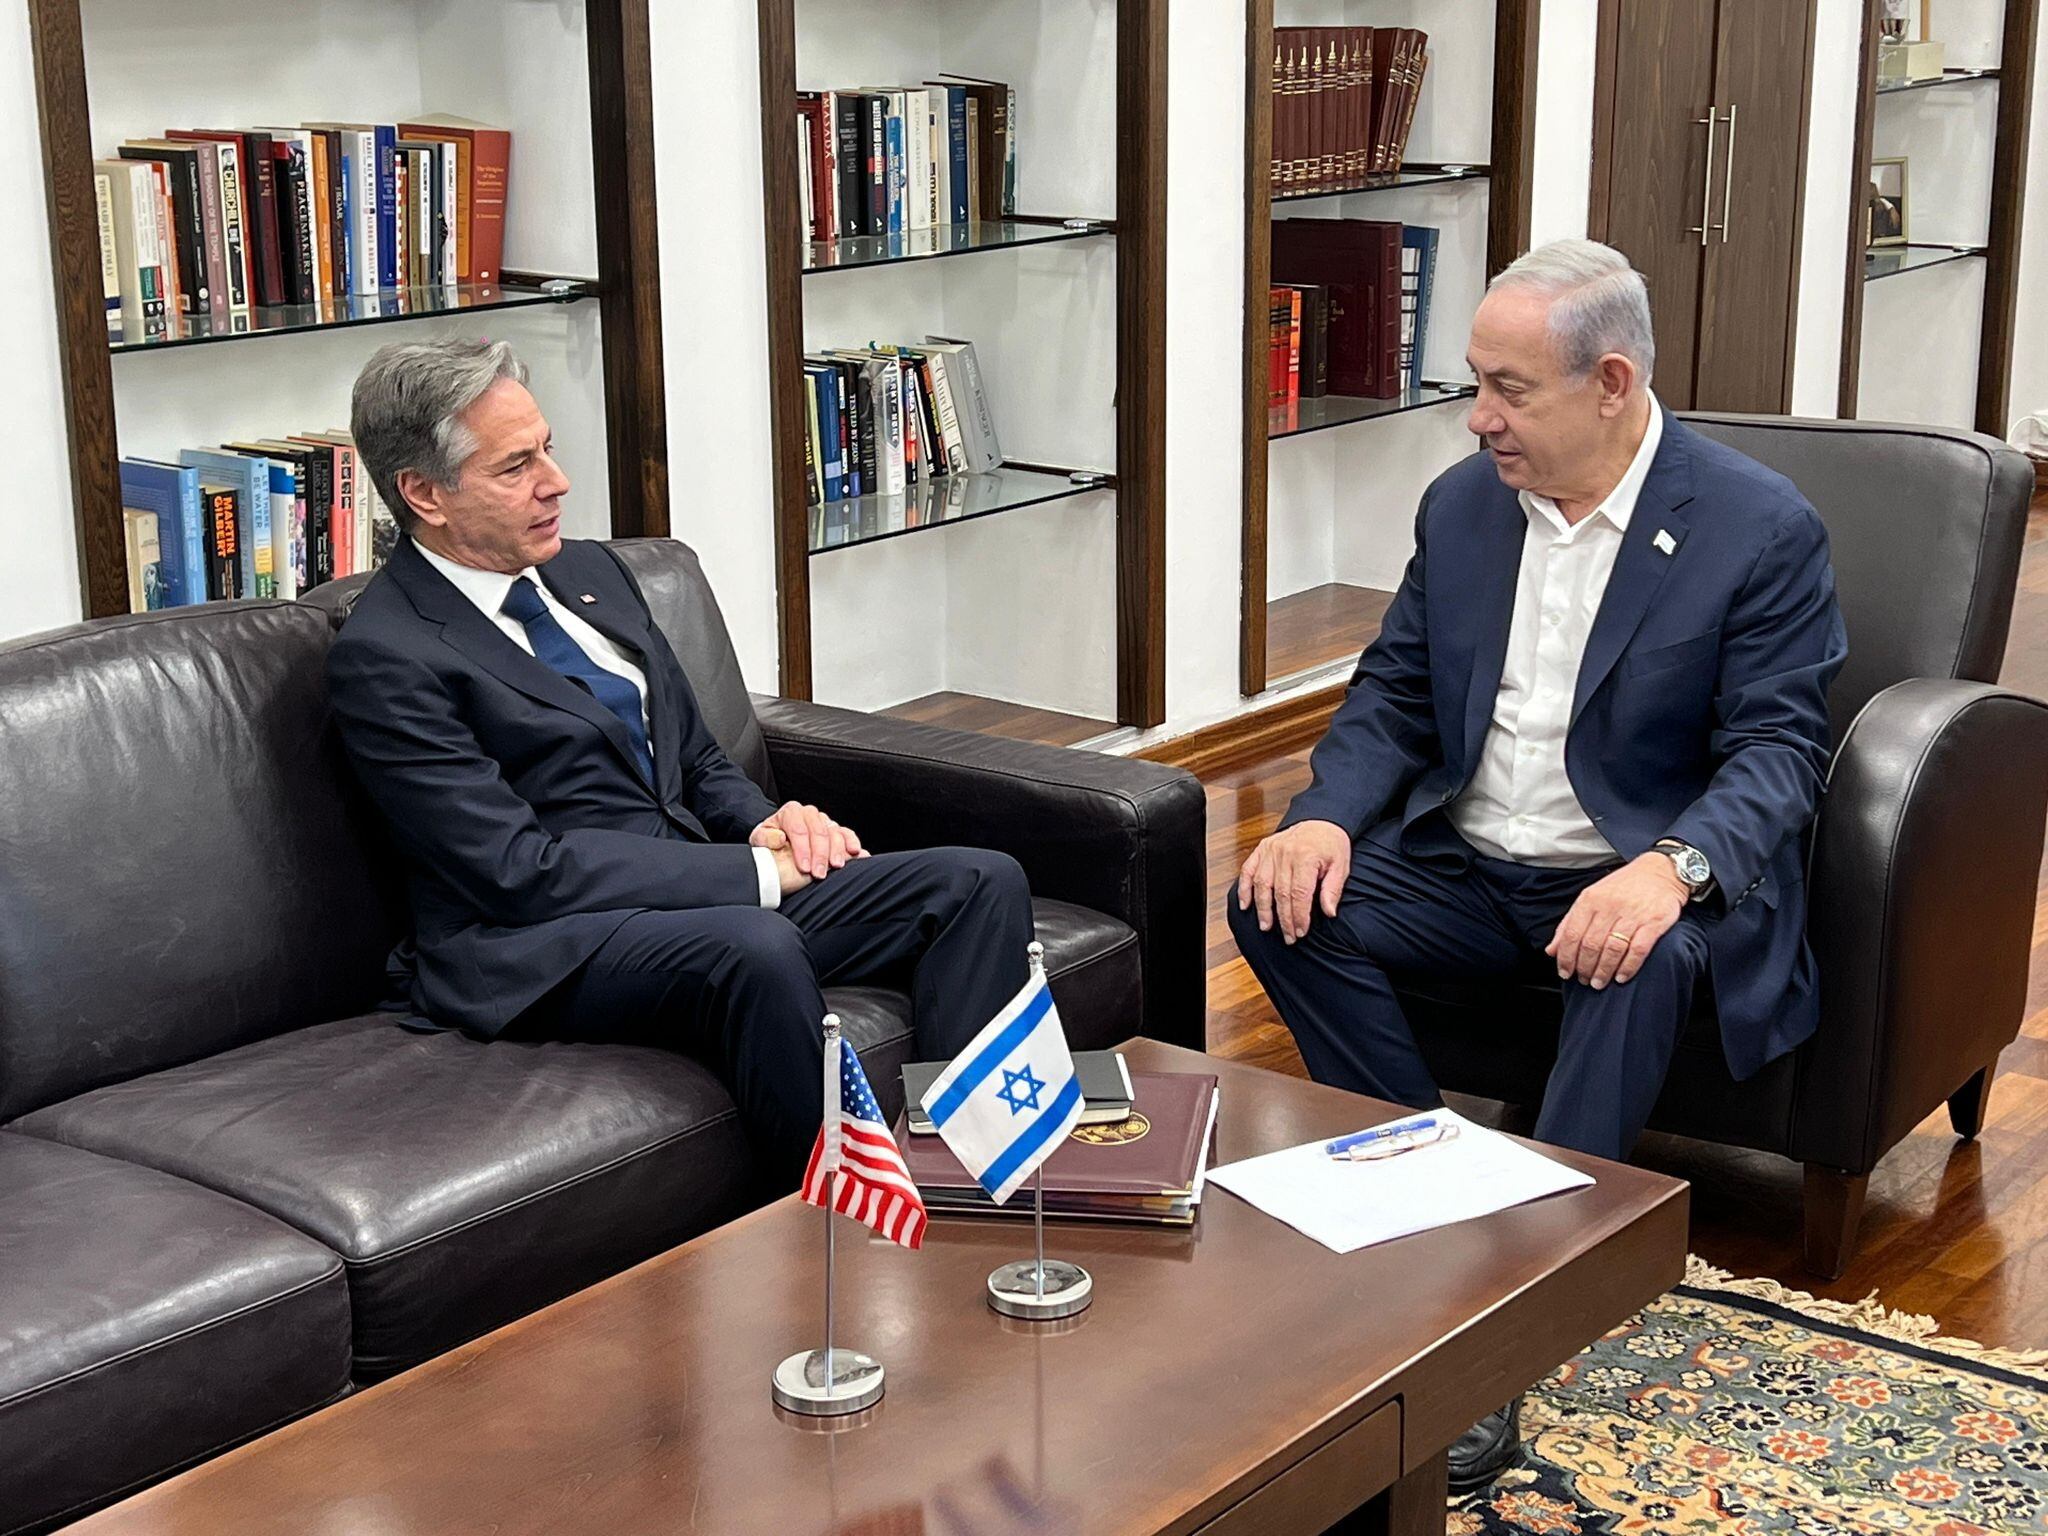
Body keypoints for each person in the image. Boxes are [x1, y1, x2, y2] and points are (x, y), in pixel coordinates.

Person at [1228, 239, 1847, 1487]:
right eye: (1474, 381)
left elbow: (1779, 753)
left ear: (1609, 382)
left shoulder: (1754, 526)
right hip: (1466, 865)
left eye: (1508, 389)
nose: (1479, 417)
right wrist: (1322, 815)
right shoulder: (1462, 505)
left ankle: (1503, 1321)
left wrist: (1669, 867)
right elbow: (1394, 690)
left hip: (1624, 875)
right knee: (1278, 902)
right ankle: (1430, 1195)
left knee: (1637, 951)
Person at [327, 337, 1033, 1183]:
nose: (556, 481)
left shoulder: (591, 572)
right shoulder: (387, 656)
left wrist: (768, 821)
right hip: (544, 942)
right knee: (755, 944)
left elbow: (693, 754)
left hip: (694, 889)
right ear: (423, 493)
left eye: (547, 448)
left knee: (978, 882)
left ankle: (969, 1173)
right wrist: (756, 875)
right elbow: (516, 872)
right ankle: (840, 1235)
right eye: (516, 467)